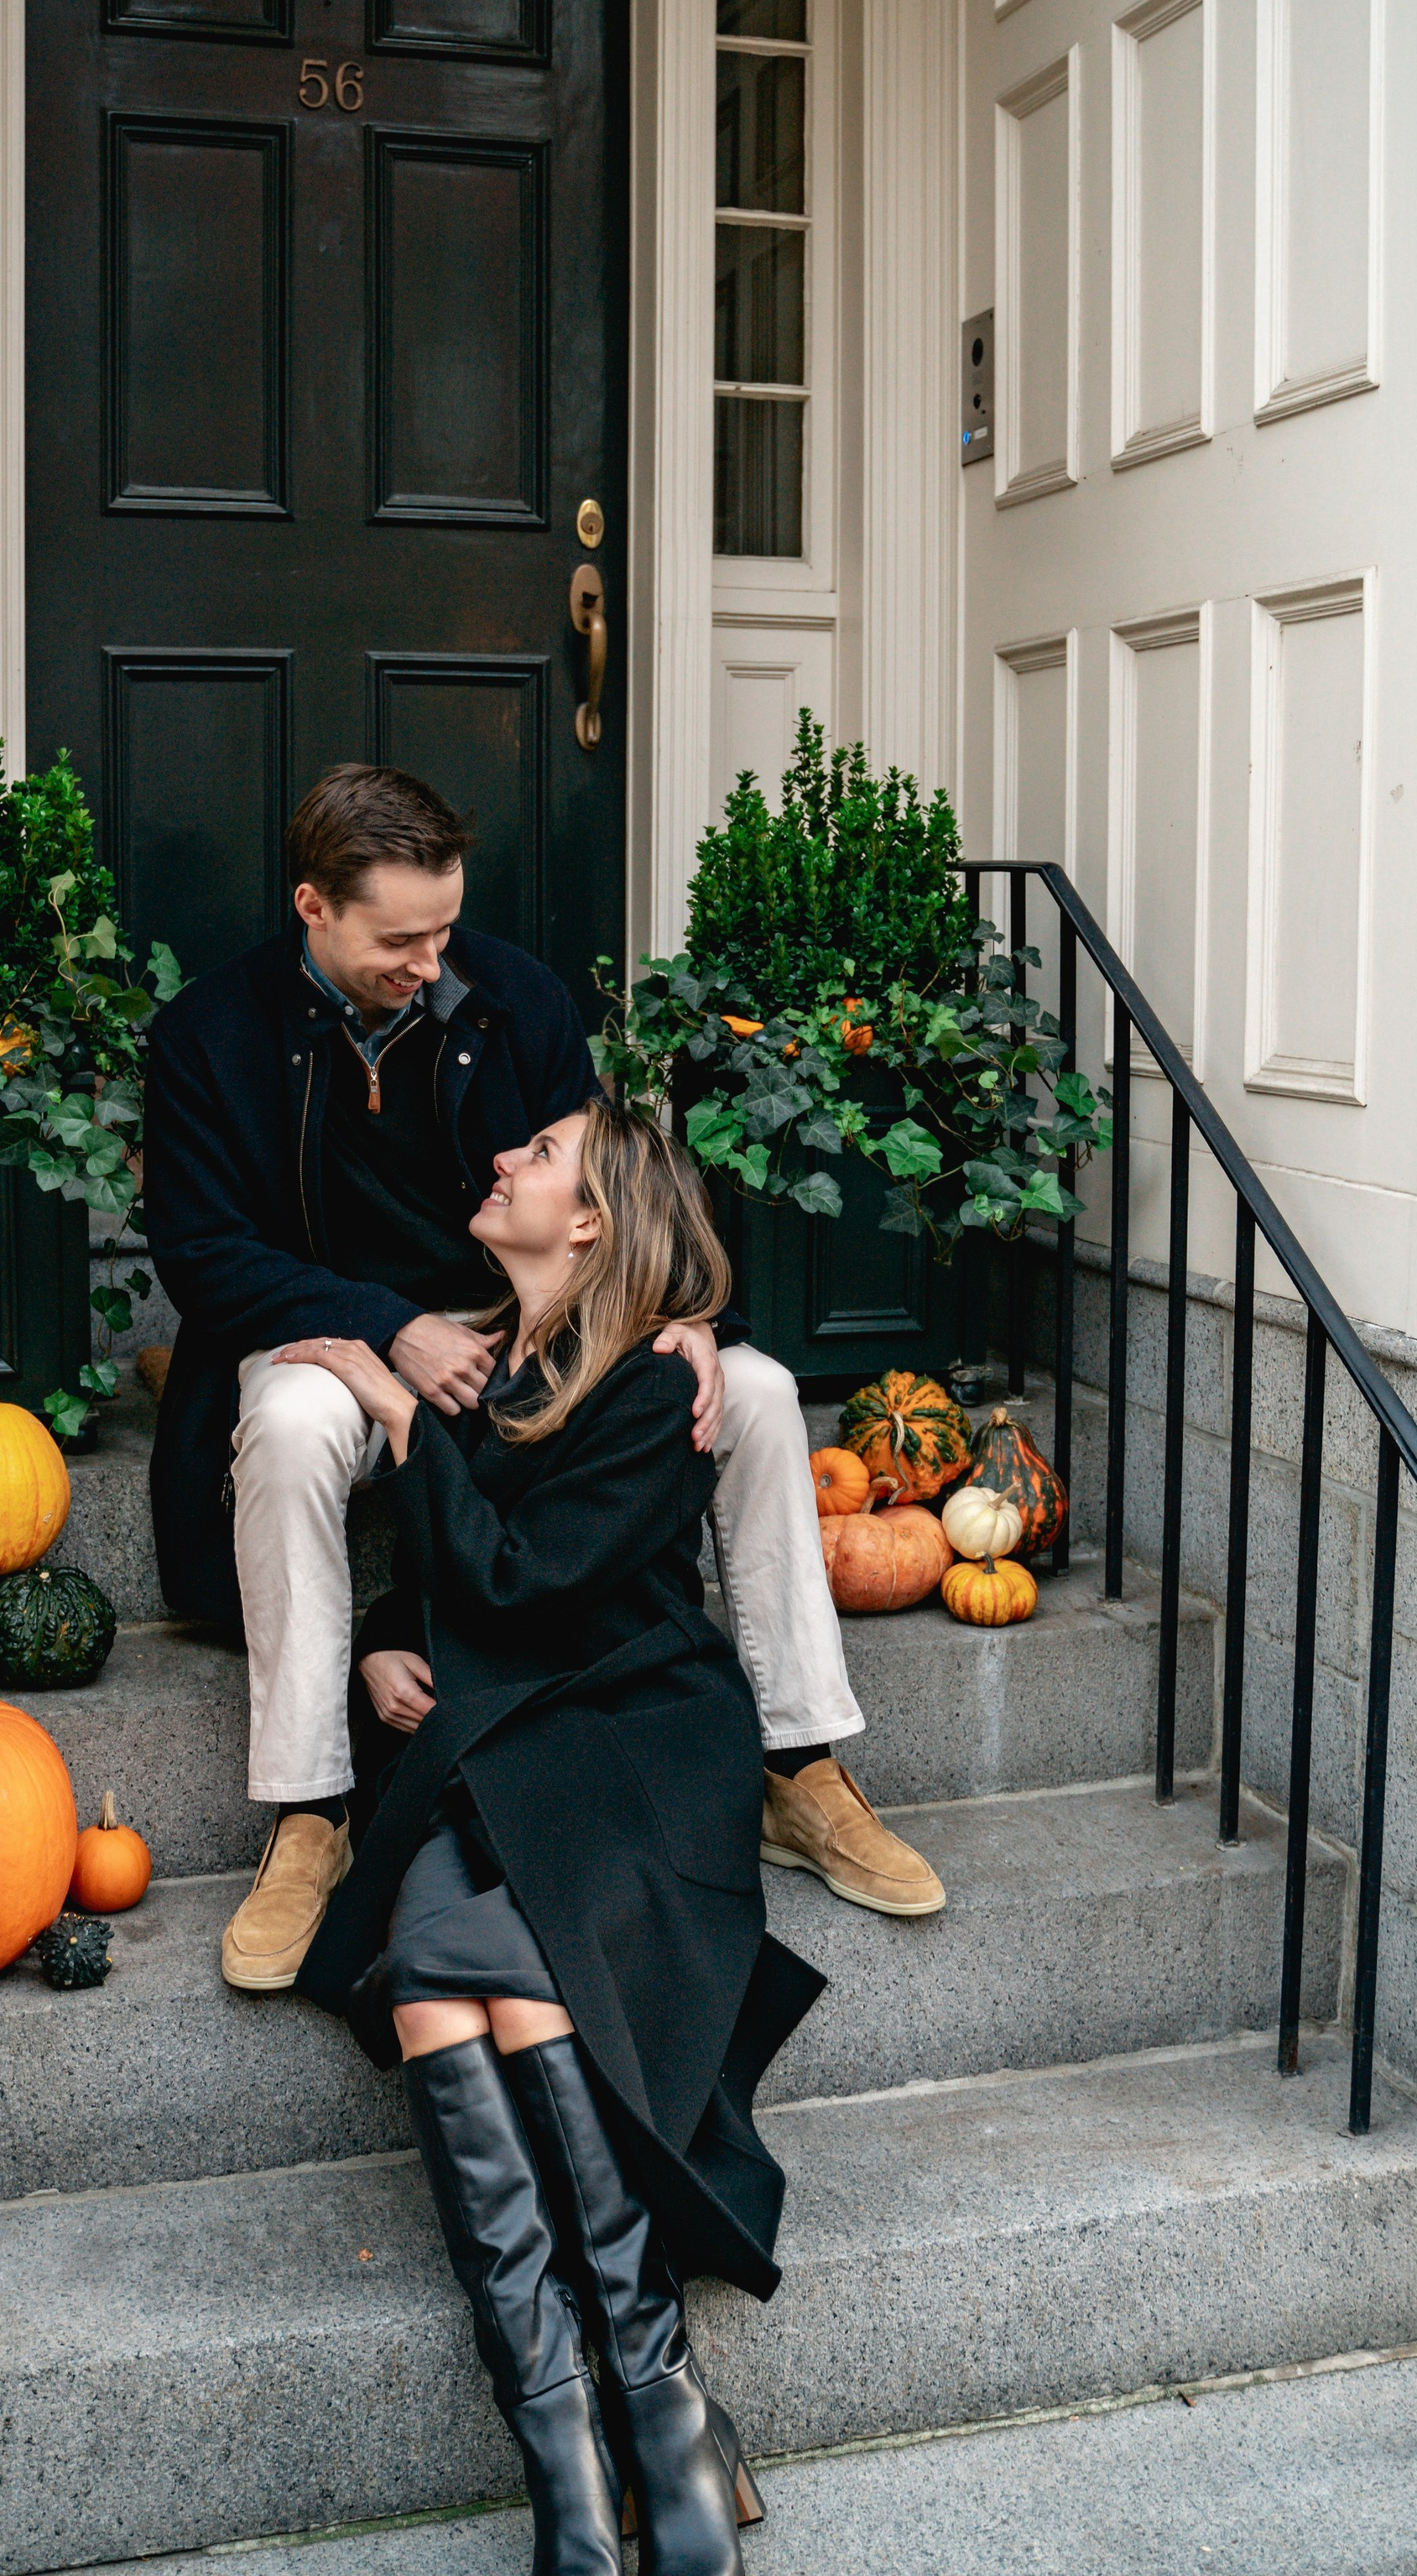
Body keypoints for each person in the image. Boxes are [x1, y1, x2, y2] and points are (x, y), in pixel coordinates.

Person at [141, 761, 944, 1993]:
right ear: (313, 905)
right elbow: (205, 1257)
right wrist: (389, 1327)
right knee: (296, 1426)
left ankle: (797, 1763)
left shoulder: (513, 998)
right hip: (330, 1329)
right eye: (399, 938)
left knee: (768, 1394)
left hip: (527, 1310)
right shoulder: (206, 1035)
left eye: (445, 927)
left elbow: (603, 1192)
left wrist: (681, 1316)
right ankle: (310, 1809)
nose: (430, 961)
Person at [291, 1097, 822, 2576]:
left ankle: (639, 2440)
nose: (505, 1159)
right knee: (444, 1988)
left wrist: (399, 1418)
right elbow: (460, 1575)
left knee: (507, 1987)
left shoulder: (658, 1381)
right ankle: (587, 2463)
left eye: (539, 1156)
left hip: (633, 1737)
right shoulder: (492, 1358)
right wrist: (388, 1631)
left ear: (591, 1224)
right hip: (509, 1731)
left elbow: (524, 1580)